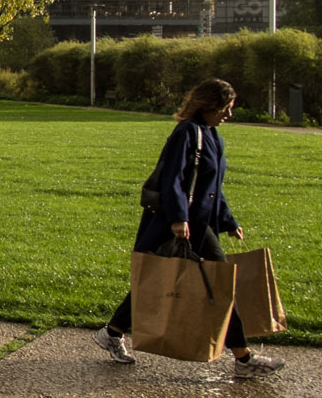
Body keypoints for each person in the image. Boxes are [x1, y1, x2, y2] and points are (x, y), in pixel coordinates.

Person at [93, 77, 285, 378]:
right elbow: (173, 180)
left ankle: (112, 332)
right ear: (209, 104)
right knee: (219, 286)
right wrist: (178, 218)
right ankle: (244, 359)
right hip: (183, 224)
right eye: (226, 107)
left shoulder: (212, 135)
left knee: (158, 279)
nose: (229, 114)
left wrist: (229, 221)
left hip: (197, 223)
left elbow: (212, 187)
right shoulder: (187, 133)